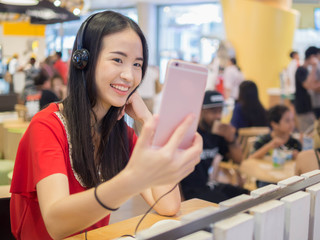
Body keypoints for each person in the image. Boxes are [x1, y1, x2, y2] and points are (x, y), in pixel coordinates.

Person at [10, 11, 202, 240]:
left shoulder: (120, 133)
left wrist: (149, 121)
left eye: (137, 64)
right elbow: (56, 224)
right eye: (118, 60)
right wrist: (131, 180)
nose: (129, 76)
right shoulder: (47, 126)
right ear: (83, 60)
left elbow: (168, 205)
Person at [180, 90, 248, 204]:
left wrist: (231, 139)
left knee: (247, 195)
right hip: (191, 192)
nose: (218, 116)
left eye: (220, 111)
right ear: (200, 111)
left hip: (207, 185)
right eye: (213, 111)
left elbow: (238, 159)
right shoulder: (189, 134)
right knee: (229, 204)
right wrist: (180, 202)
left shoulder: (217, 133)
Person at [294, 46, 320, 140]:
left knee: (310, 134)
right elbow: (309, 85)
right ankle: (305, 154)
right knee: (307, 135)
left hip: (308, 107)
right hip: (303, 108)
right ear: (312, 56)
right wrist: (314, 66)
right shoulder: (301, 70)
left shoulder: (307, 70)